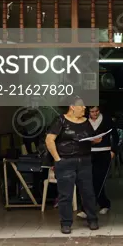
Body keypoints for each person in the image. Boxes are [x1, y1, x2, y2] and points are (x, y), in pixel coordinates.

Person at [45, 100, 100, 234]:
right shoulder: (61, 120)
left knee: (88, 192)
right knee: (66, 194)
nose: (84, 108)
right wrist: (58, 159)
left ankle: (92, 219)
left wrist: (95, 140)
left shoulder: (86, 121)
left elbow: (90, 138)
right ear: (72, 107)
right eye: (81, 106)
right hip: (66, 161)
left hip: (84, 161)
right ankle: (66, 223)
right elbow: (49, 140)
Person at [77, 104, 117, 217]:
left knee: (99, 180)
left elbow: (115, 135)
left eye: (96, 111)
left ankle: (91, 207)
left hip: (104, 152)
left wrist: (113, 150)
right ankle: (102, 204)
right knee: (88, 180)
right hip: (89, 152)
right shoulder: (84, 121)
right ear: (88, 112)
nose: (95, 114)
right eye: (92, 112)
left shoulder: (107, 120)